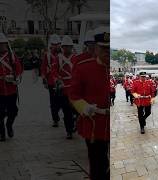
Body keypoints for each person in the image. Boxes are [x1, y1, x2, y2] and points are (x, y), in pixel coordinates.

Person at [70, 27, 109, 179]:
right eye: (103, 48)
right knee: (99, 165)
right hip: (95, 124)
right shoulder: (84, 68)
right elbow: (73, 94)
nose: (107, 51)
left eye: (109, 48)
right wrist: (84, 107)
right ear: (96, 48)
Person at [0, 33, 23, 141]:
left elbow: (18, 69)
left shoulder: (11, 56)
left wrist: (16, 78)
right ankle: (1, 133)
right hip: (0, 89)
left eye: (3, 44)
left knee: (13, 111)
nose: (1, 46)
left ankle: (9, 125)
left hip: (11, 89)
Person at [54, 35, 76, 139]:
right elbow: (54, 72)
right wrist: (58, 80)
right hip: (63, 89)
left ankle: (74, 124)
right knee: (66, 112)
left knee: (77, 110)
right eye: (65, 46)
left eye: (69, 46)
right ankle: (69, 131)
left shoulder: (76, 58)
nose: (67, 48)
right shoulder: (58, 58)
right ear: (62, 47)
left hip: (75, 88)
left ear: (72, 47)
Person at [41, 34, 61, 127]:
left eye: (57, 44)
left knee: (62, 101)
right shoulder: (47, 55)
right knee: (53, 102)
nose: (56, 46)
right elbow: (44, 68)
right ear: (51, 45)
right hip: (51, 82)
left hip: (61, 82)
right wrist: (44, 80)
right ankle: (55, 119)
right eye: (54, 44)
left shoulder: (63, 54)